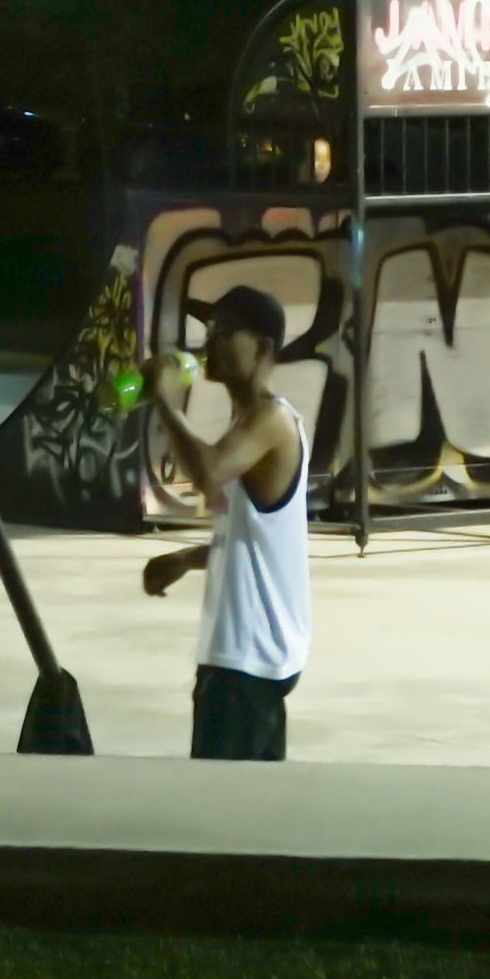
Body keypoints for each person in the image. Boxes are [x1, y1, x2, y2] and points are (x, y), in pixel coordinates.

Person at [141, 290, 310, 760]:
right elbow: (253, 536)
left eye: (225, 332)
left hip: (244, 663)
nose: (209, 343)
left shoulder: (271, 420)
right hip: (250, 658)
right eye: (209, 332)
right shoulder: (252, 423)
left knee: (219, 817)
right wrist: (186, 558)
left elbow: (210, 471)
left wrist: (166, 403)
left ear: (263, 349)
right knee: (248, 817)